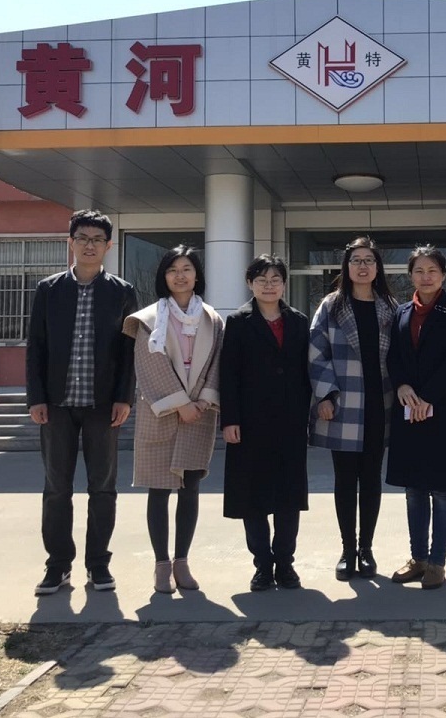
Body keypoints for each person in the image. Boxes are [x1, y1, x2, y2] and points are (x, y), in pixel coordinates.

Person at [26, 209, 137, 595]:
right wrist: (36, 397)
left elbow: (129, 350)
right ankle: (58, 566)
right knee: (57, 487)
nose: (89, 245)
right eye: (82, 238)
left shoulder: (122, 291)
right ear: (70, 242)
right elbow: (36, 346)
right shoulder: (49, 289)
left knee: (103, 487)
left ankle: (98, 564)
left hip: (103, 406)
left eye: (97, 239)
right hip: (56, 404)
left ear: (109, 246)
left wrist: (124, 397)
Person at [122, 246, 223, 593]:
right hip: (161, 410)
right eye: (172, 270)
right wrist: (180, 403)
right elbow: (149, 364)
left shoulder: (212, 319)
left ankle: (182, 561)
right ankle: (161, 565)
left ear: (197, 275)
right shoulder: (148, 319)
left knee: (190, 488)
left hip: (199, 412)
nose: (180, 276)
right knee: (159, 489)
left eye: (187, 269)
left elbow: (217, 364)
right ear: (163, 277)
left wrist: (203, 400)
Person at [220, 255, 311, 592]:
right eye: (262, 279)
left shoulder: (299, 321)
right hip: (250, 422)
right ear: (250, 284)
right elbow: (228, 374)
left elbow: (306, 371)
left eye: (275, 279)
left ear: (284, 284)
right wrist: (230, 419)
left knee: (289, 496)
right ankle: (262, 565)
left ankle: (285, 564)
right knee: (252, 496)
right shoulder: (238, 322)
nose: (269, 285)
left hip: (290, 421)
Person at [309, 236, 398, 580]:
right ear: (346, 267)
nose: (363, 266)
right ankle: (347, 550)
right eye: (356, 260)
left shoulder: (390, 306)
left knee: (371, 478)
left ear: (377, 268)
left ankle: (367, 549)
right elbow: (316, 353)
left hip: (380, 403)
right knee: (345, 479)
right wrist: (325, 395)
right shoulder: (331, 306)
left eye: (369, 260)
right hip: (343, 403)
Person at [386, 246, 446, 590]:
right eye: (419, 271)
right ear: (411, 276)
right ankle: (418, 558)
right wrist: (403, 385)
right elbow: (393, 356)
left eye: (432, 270)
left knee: (443, 490)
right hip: (408, 411)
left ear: (443, 275)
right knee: (414, 490)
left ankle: (437, 562)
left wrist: (429, 397)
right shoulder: (401, 312)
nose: (426, 277)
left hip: (443, 410)